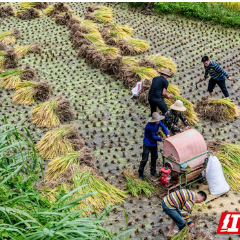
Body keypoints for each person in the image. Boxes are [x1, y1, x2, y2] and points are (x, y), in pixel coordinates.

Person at [138, 112, 170, 180]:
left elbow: (163, 126)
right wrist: (161, 139)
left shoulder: (158, 123)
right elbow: (153, 136)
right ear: (154, 121)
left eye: (159, 120)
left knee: (155, 156)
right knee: (145, 159)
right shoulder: (149, 126)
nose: (158, 121)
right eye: (157, 120)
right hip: (147, 143)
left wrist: (167, 134)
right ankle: (140, 173)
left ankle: (153, 171)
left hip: (153, 143)